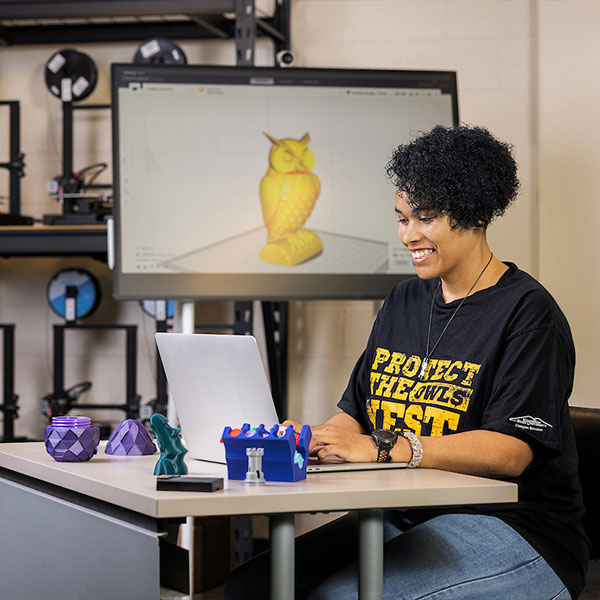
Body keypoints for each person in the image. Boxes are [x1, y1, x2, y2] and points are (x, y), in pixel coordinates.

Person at [225, 125, 590, 599]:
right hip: (406, 515)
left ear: (477, 212)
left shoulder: (528, 313)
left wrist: (385, 447)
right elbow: (356, 414)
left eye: (426, 217)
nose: (408, 235)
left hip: (518, 531)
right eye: (401, 218)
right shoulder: (403, 300)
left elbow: (510, 452)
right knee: (252, 586)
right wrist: (320, 440)